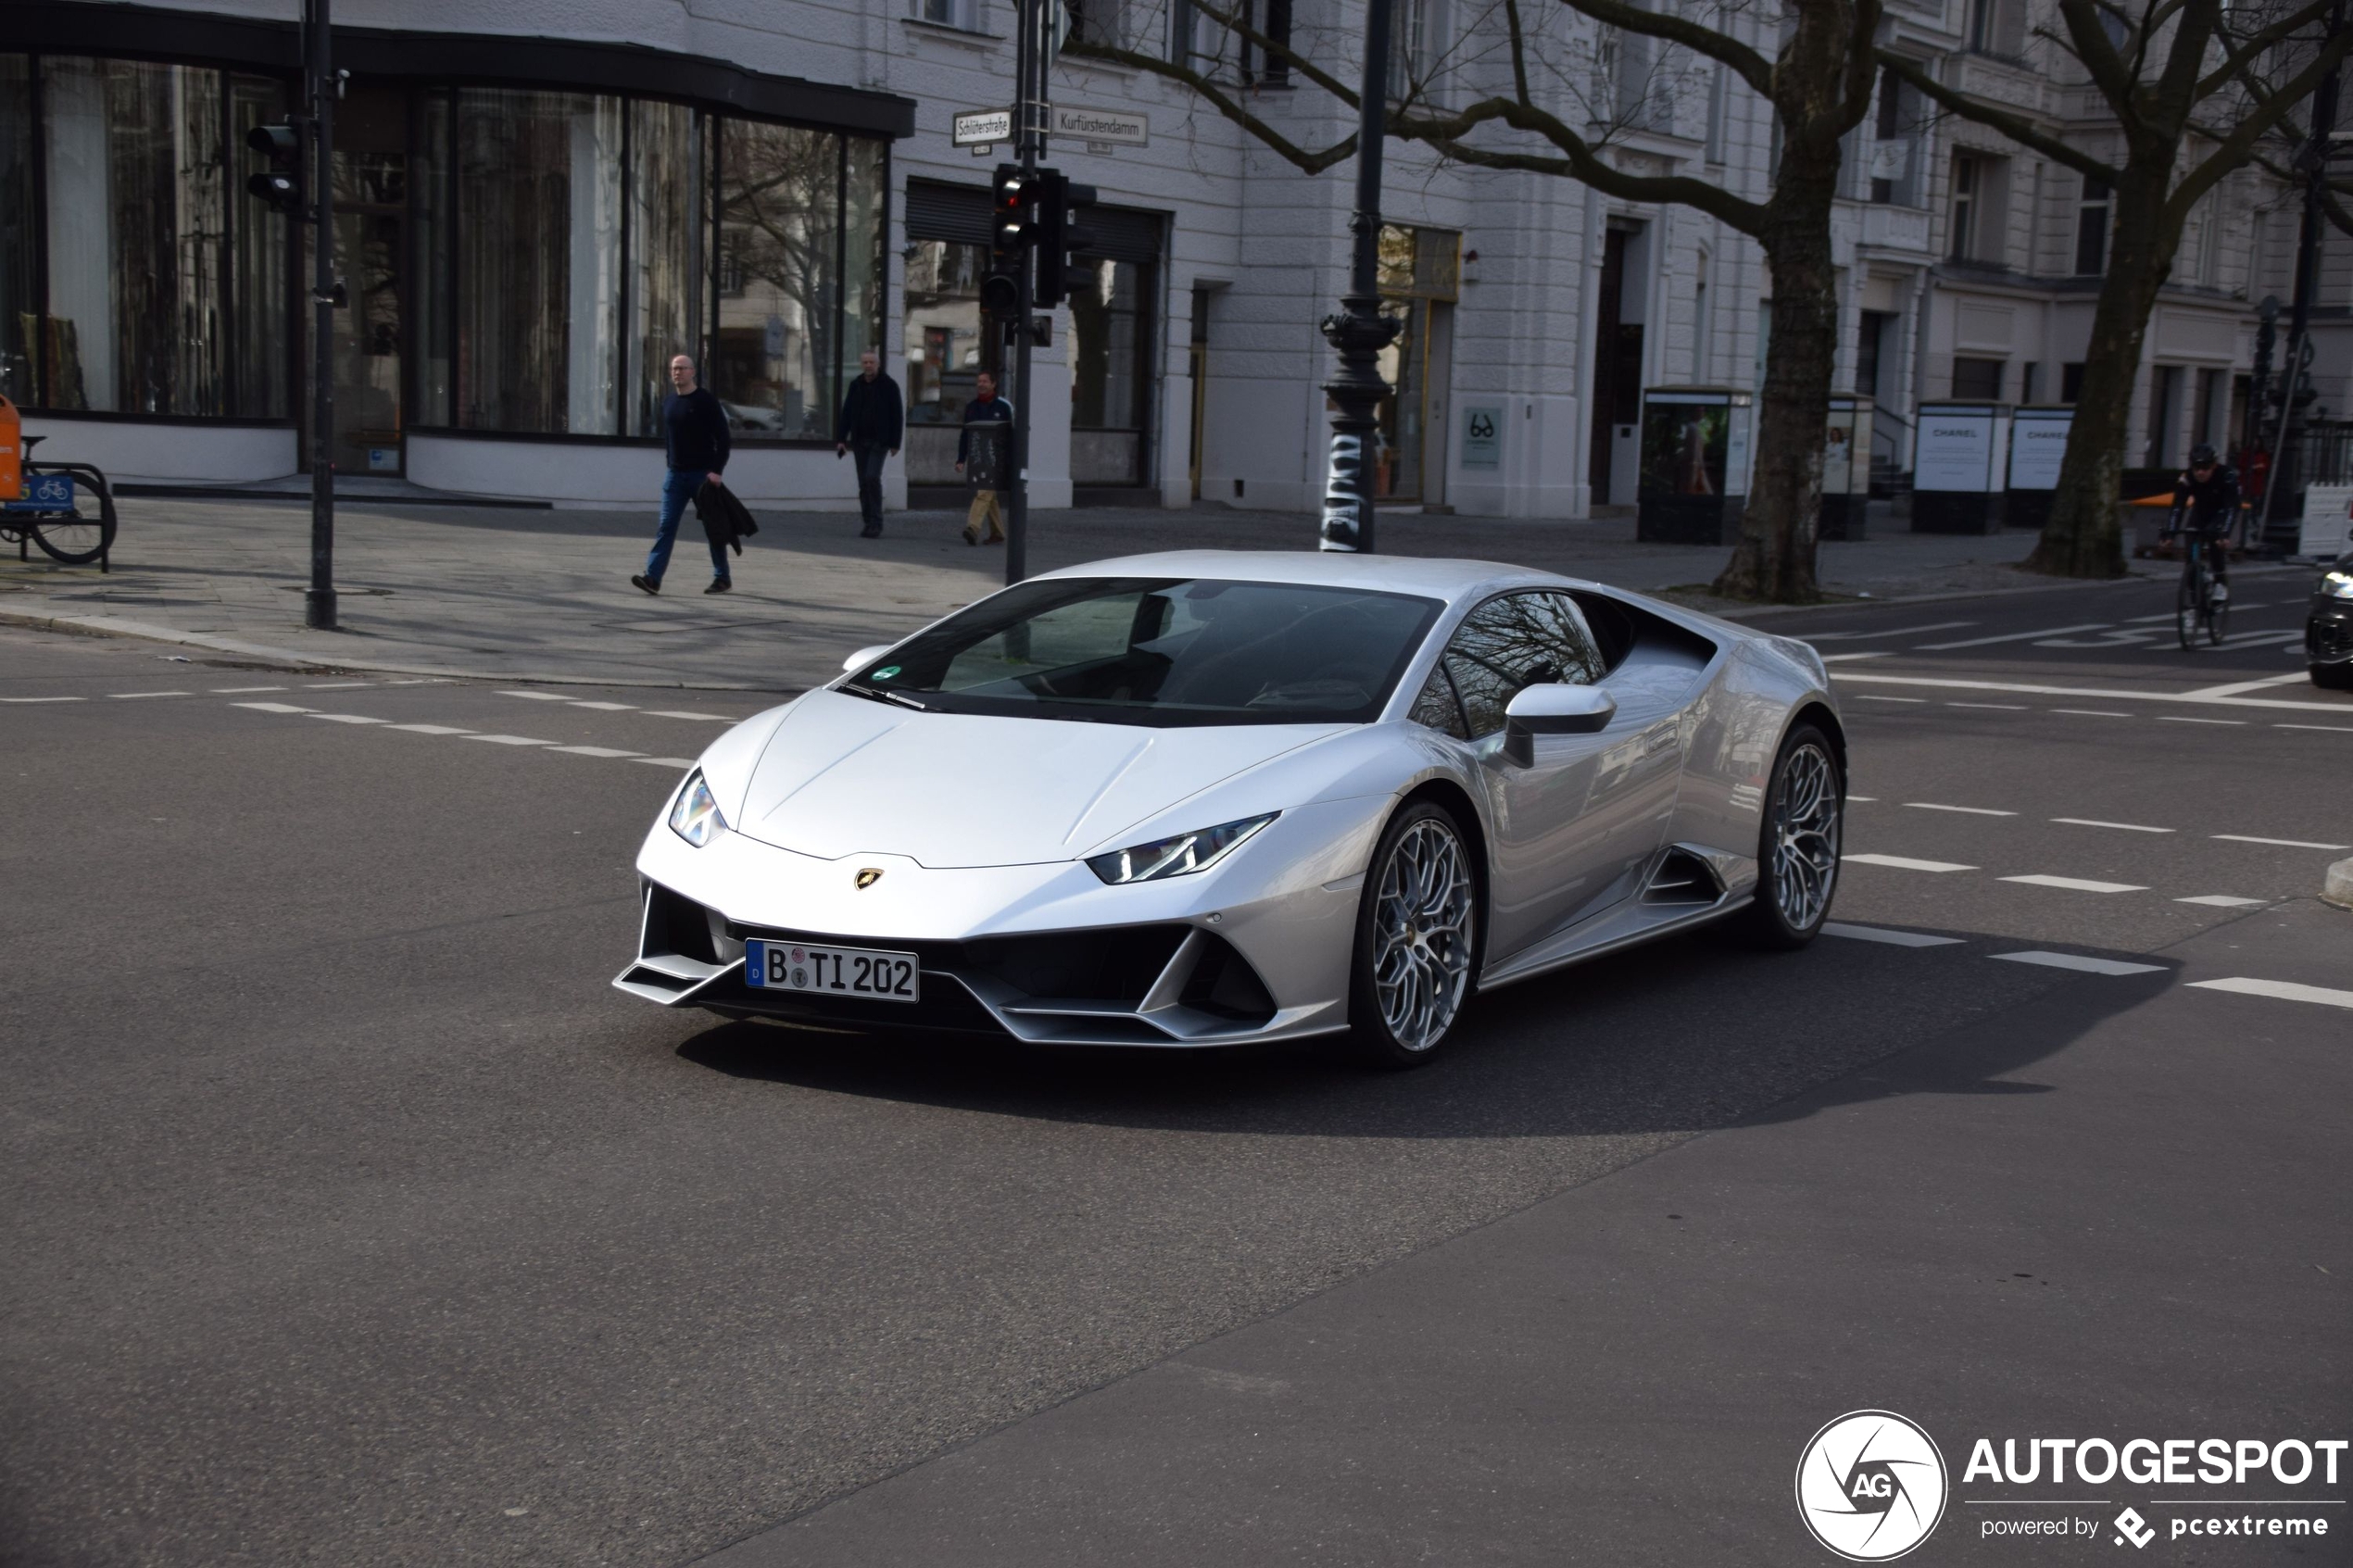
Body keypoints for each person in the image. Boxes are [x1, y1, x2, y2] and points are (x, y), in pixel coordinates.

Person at [632, 355, 732, 596]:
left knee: (713, 527)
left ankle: (722, 577)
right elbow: (670, 438)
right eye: (674, 369)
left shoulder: (706, 401)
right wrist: (671, 463)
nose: (678, 373)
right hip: (675, 477)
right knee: (666, 526)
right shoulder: (668, 402)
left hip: (703, 477)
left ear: (693, 372)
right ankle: (653, 578)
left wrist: (716, 471)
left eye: (683, 369)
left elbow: (724, 438)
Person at [835, 349, 903, 539]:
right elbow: (847, 413)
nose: (868, 366)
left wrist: (895, 443)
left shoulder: (889, 385)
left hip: (880, 440)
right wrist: (841, 439)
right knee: (864, 482)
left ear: (878, 364)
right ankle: (868, 522)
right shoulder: (856, 385)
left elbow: (897, 415)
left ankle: (876, 522)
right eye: (865, 362)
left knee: (872, 477)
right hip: (859, 440)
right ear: (861, 364)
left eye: (871, 362)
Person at [2171, 443, 2240, 593]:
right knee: (2190, 557)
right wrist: (2169, 532)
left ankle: (2220, 582)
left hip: (2221, 512)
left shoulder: (2226, 476)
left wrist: (2225, 534)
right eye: (2196, 468)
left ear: (2214, 466)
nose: (2200, 473)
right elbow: (2178, 506)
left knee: (2213, 536)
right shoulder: (2187, 477)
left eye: (2205, 468)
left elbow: (2231, 507)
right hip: (2200, 512)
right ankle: (2193, 607)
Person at [956, 370, 1015, 546]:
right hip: (978, 459)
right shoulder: (972, 407)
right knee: (989, 496)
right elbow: (965, 435)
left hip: (997, 460)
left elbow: (1013, 435)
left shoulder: (1004, 407)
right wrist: (961, 459)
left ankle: (972, 528)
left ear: (993, 384)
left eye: (984, 381)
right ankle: (998, 533)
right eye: (979, 381)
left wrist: (1012, 461)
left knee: (983, 493)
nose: (981, 384)